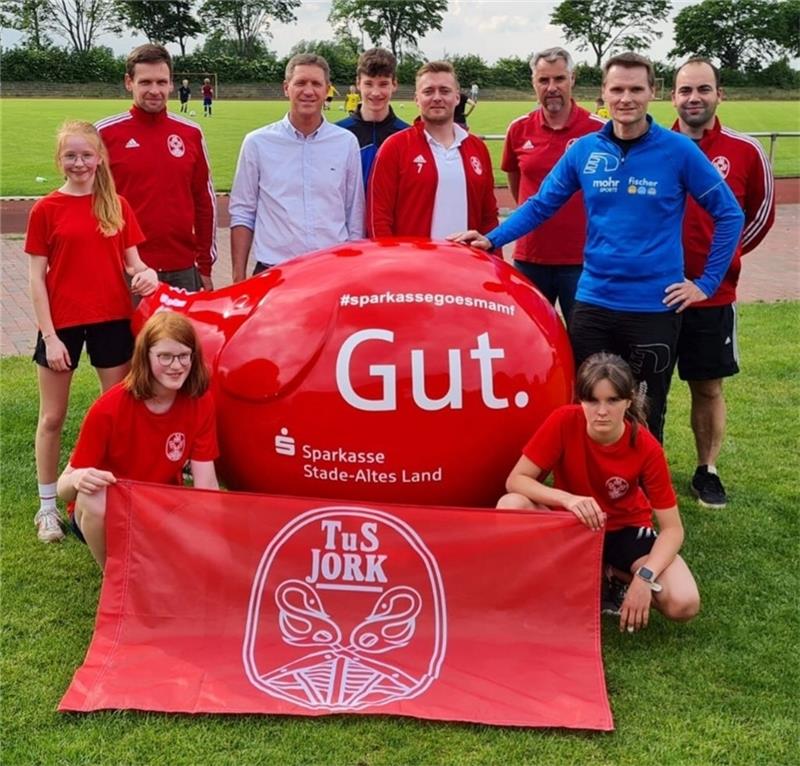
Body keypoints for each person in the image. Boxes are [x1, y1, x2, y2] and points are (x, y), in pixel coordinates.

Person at [451, 52, 744, 443]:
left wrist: (706, 283)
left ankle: (641, 487)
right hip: (594, 302)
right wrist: (492, 237)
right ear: (603, 94)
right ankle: (590, 483)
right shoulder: (585, 151)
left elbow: (729, 214)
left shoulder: (678, 150)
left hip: (653, 307)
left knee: (645, 403)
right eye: (617, 89)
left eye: (636, 89)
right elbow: (541, 204)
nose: (626, 98)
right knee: (588, 399)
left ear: (652, 93)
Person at [497, 352, 701, 633]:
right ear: (580, 400)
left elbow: (673, 530)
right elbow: (516, 481)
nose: (601, 411)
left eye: (612, 400)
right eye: (592, 400)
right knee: (512, 505)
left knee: (683, 602)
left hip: (624, 530)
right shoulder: (563, 421)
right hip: (574, 526)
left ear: (629, 400)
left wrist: (644, 578)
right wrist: (568, 499)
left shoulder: (646, 447)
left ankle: (613, 574)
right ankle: (578, 576)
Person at [26, 120, 158, 543]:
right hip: (62, 325)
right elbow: (35, 278)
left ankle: (115, 496)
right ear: (59, 160)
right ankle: (48, 507)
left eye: (86, 155)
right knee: (52, 417)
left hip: (111, 319)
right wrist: (49, 336)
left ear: (100, 158)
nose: (79, 163)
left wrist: (147, 274)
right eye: (71, 155)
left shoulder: (115, 205)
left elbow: (133, 263)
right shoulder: (45, 210)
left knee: (117, 414)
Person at [671, 57, 775, 508]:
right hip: (651, 293)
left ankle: (706, 470)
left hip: (712, 296)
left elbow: (759, 216)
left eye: (703, 89)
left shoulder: (745, 150)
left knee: (707, 386)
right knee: (638, 387)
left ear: (719, 94)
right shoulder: (652, 144)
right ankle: (635, 468)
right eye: (684, 90)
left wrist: (720, 265)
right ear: (671, 95)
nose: (694, 98)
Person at [57, 312, 219, 569]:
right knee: (94, 497)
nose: (176, 366)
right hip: (110, 511)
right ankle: (114, 576)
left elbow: (206, 484)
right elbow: (63, 487)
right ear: (145, 356)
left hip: (159, 508)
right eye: (165, 356)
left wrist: (213, 539)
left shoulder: (199, 401)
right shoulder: (109, 408)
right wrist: (77, 478)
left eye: (184, 356)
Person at [229, 54, 364, 281]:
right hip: (274, 272)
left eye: (316, 84)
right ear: (286, 88)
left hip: (332, 273)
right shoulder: (257, 143)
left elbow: (354, 214)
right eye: (300, 83)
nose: (308, 91)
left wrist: (353, 273)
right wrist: (238, 276)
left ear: (327, 90)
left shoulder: (346, 143)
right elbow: (243, 212)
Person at [97, 44, 217, 292]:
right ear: (129, 82)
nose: (155, 90)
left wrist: (204, 266)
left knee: (182, 332)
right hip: (128, 270)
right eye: (145, 82)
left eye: (161, 82)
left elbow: (205, 202)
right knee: (131, 333)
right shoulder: (104, 134)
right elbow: (89, 205)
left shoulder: (191, 133)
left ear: (172, 84)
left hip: (183, 269)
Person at [502, 47, 605, 323]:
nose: (552, 88)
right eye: (543, 80)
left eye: (559, 79)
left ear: (572, 79)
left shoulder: (599, 130)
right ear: (533, 82)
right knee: (528, 337)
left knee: (585, 343)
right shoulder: (518, 129)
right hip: (530, 257)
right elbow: (516, 180)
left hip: (584, 260)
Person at [367, 61, 498, 240]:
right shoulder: (394, 147)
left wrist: (493, 260)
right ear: (416, 99)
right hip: (413, 264)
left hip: (466, 264)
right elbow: (378, 217)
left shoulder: (478, 148)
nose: (437, 98)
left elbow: (489, 216)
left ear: (457, 97)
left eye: (444, 91)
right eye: (428, 91)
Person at [336, 48, 409, 188]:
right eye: (368, 84)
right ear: (358, 84)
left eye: (383, 84)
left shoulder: (408, 136)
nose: (376, 93)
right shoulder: (337, 134)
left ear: (394, 84)